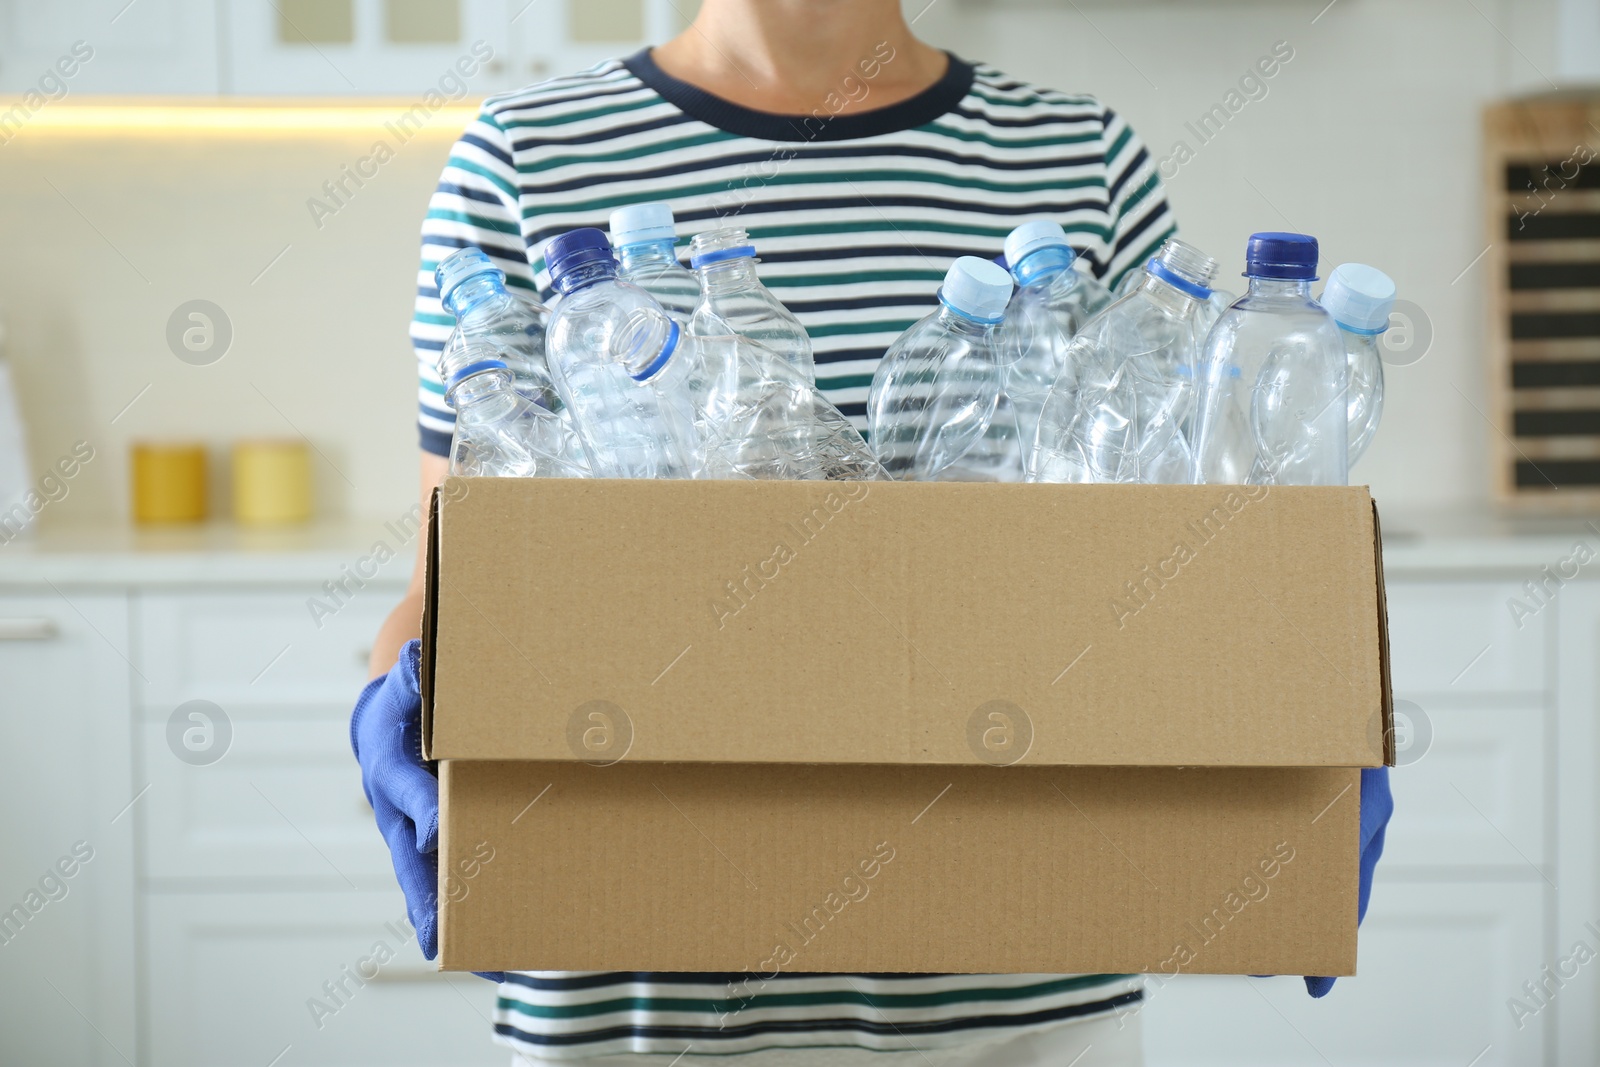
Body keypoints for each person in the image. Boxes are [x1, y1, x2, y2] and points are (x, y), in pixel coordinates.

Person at [351, 2, 1394, 1064]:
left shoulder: (1077, 157)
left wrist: (1289, 732)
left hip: (1017, 991)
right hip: (634, 994)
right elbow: (461, 569)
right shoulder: (522, 156)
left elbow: (1163, 540)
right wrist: (404, 707)